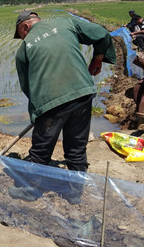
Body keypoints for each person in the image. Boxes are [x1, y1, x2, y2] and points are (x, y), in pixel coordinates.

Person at [13, 11, 116, 204]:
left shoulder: (24, 49)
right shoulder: (66, 23)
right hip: (83, 93)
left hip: (51, 101)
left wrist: (39, 113)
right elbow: (102, 34)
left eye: (21, 34)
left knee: (40, 150)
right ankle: (75, 193)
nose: (23, 39)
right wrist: (97, 59)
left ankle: (30, 191)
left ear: (25, 27)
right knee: (76, 147)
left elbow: (27, 87)